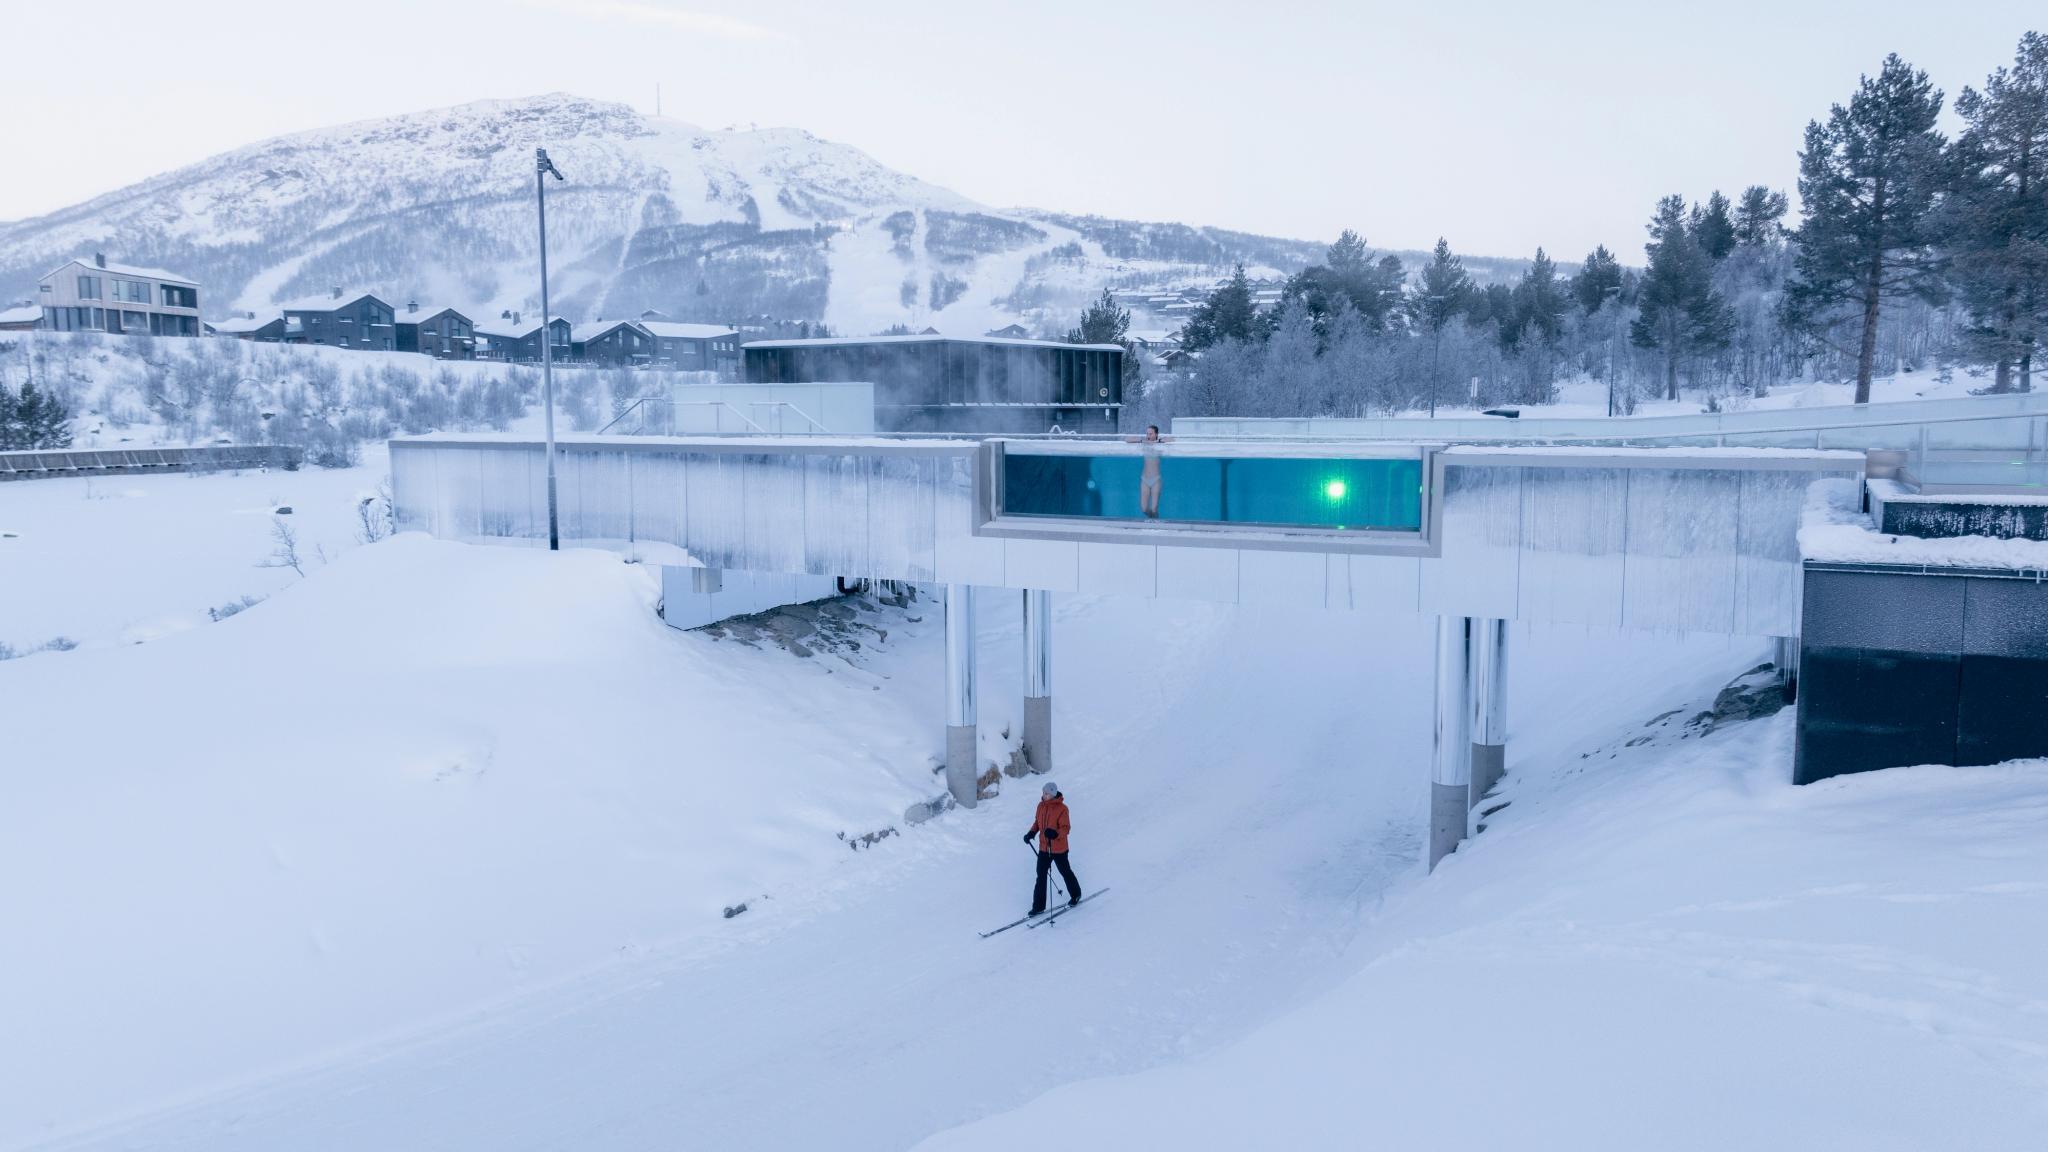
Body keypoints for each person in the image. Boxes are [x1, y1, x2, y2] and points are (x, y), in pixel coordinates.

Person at [1023, 780, 1081, 915]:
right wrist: (1031, 833)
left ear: (1053, 794)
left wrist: (1055, 834)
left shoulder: (1062, 809)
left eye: (1046, 793)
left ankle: (1076, 894)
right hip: (1044, 848)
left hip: (1058, 849)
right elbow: (1037, 822)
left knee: (1065, 872)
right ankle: (1038, 906)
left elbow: (1066, 828)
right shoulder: (1040, 806)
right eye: (1043, 793)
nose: (1043, 795)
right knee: (1041, 876)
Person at [1122, 424, 1173, 519]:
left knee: (1154, 508)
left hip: (1156, 480)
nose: (1148, 436)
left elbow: (1172, 440)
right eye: (1147, 433)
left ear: (1156, 434)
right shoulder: (1144, 443)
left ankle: (1155, 523)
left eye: (1151, 433)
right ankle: (1154, 520)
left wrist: (1158, 441)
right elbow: (1127, 439)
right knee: (1144, 508)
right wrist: (1141, 440)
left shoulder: (1160, 446)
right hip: (1144, 480)